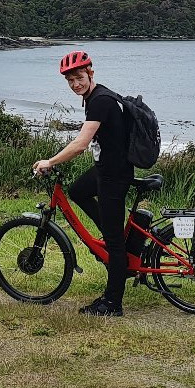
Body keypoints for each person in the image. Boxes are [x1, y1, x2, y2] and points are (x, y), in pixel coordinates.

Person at [33, 50, 132, 317]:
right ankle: (114, 237)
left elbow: (80, 145)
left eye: (79, 77)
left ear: (90, 73)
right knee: (78, 191)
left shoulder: (99, 101)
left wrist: (50, 162)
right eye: (70, 81)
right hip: (107, 170)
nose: (75, 84)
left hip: (113, 176)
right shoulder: (95, 96)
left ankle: (113, 303)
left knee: (114, 244)